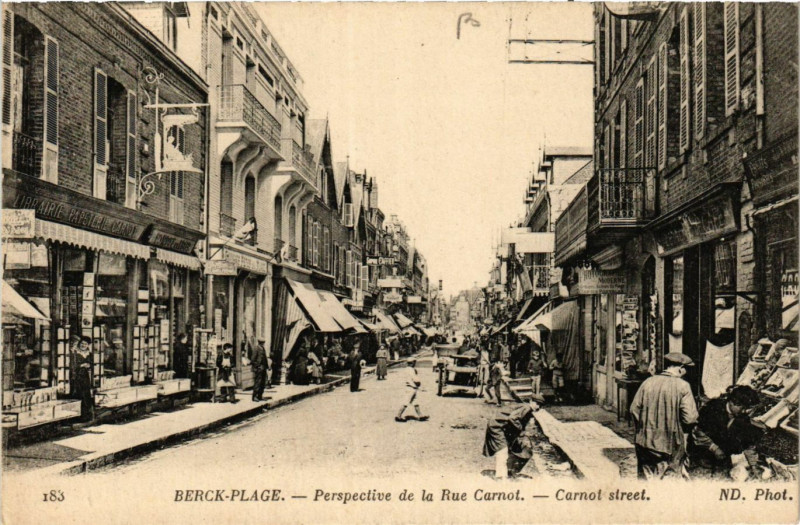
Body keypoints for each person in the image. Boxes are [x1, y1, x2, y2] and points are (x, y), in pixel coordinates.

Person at [629, 352, 699, 480]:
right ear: (680, 368)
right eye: (686, 369)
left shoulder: (648, 382)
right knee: (668, 486)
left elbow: (634, 409)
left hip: (644, 442)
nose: (685, 373)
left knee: (645, 482)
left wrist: (645, 427)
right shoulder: (683, 386)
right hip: (670, 444)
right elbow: (690, 418)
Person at [686, 385, 763, 479]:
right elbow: (697, 431)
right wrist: (714, 448)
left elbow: (748, 443)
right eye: (742, 408)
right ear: (733, 403)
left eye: (747, 409)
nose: (744, 412)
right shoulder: (712, 409)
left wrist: (754, 465)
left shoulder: (743, 418)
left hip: (723, 459)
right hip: (701, 456)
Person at [483, 400, 539, 479]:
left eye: (541, 405)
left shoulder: (526, 408)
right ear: (532, 402)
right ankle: (500, 476)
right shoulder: (527, 408)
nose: (538, 407)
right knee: (502, 450)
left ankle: (507, 471)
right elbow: (512, 418)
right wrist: (520, 429)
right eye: (537, 404)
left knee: (509, 448)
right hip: (497, 426)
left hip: (502, 426)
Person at [395, 358, 429, 422]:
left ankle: (420, 416)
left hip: (410, 387)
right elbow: (415, 379)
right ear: (413, 363)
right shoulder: (411, 370)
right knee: (405, 402)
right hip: (411, 388)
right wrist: (419, 383)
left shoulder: (406, 369)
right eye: (414, 362)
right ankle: (398, 416)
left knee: (415, 402)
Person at [73, 336, 95, 422]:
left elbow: (93, 363)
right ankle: (78, 416)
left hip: (86, 376)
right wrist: (81, 366)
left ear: (88, 345)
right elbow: (72, 365)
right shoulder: (75, 353)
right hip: (77, 376)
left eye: (85, 344)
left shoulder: (90, 354)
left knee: (86, 394)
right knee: (79, 394)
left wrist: (89, 365)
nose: (83, 345)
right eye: (82, 343)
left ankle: (86, 415)